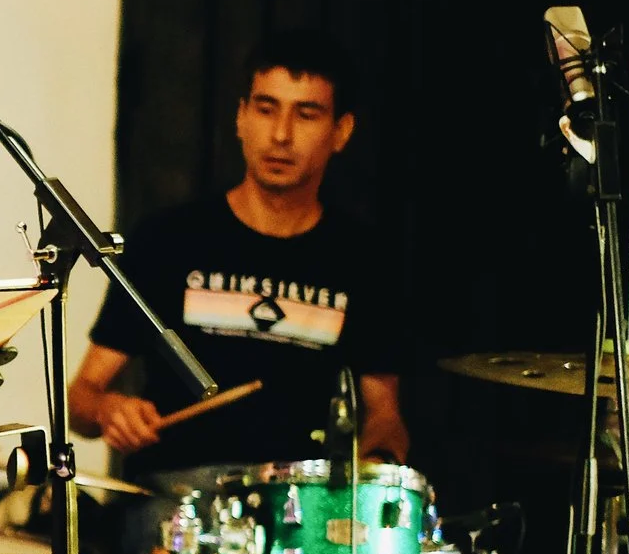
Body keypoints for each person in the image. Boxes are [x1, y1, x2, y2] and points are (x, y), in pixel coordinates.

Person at [71, 29, 408, 475]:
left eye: (306, 115)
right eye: (266, 110)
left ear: (340, 131)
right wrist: (109, 409)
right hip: (174, 506)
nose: (281, 135)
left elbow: (384, 414)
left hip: (297, 511)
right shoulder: (169, 238)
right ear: (241, 118)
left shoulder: (365, 261)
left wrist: (377, 465)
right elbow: (81, 397)